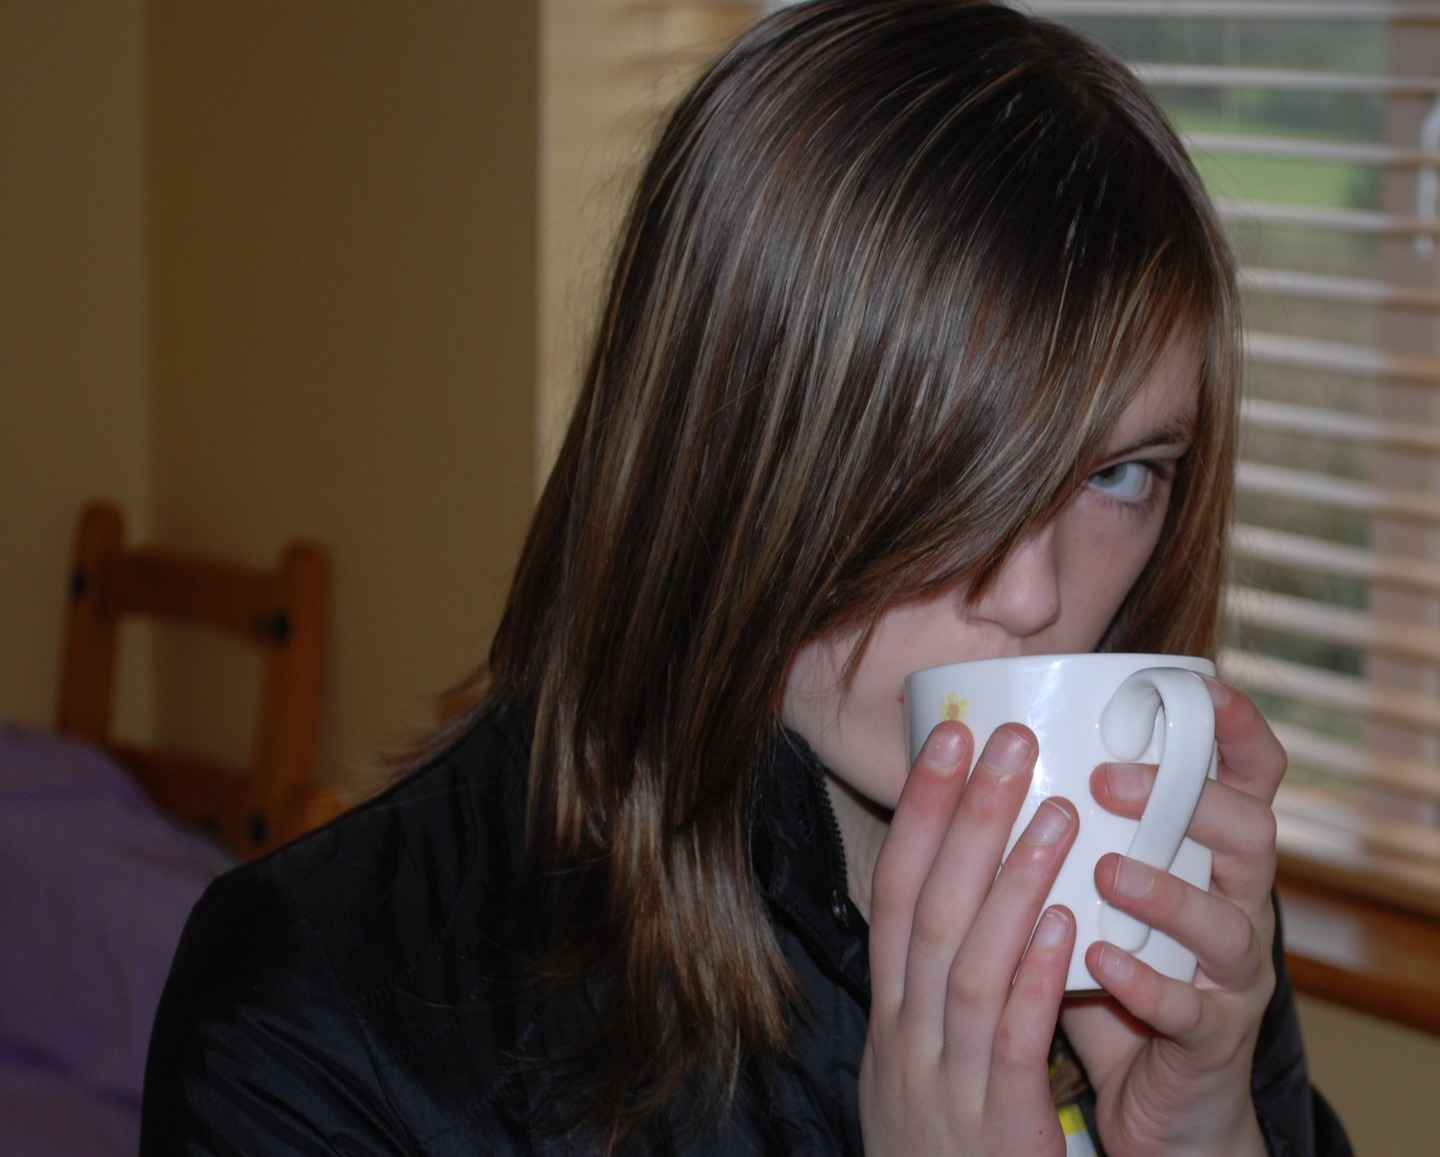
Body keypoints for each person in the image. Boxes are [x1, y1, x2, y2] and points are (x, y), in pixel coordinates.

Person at [142, 1, 1353, 1153]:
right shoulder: (307, 1015)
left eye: (1118, 474)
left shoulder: (1148, 878)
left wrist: (1212, 1135)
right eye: (934, 458)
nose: (1034, 593)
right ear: (720, 440)